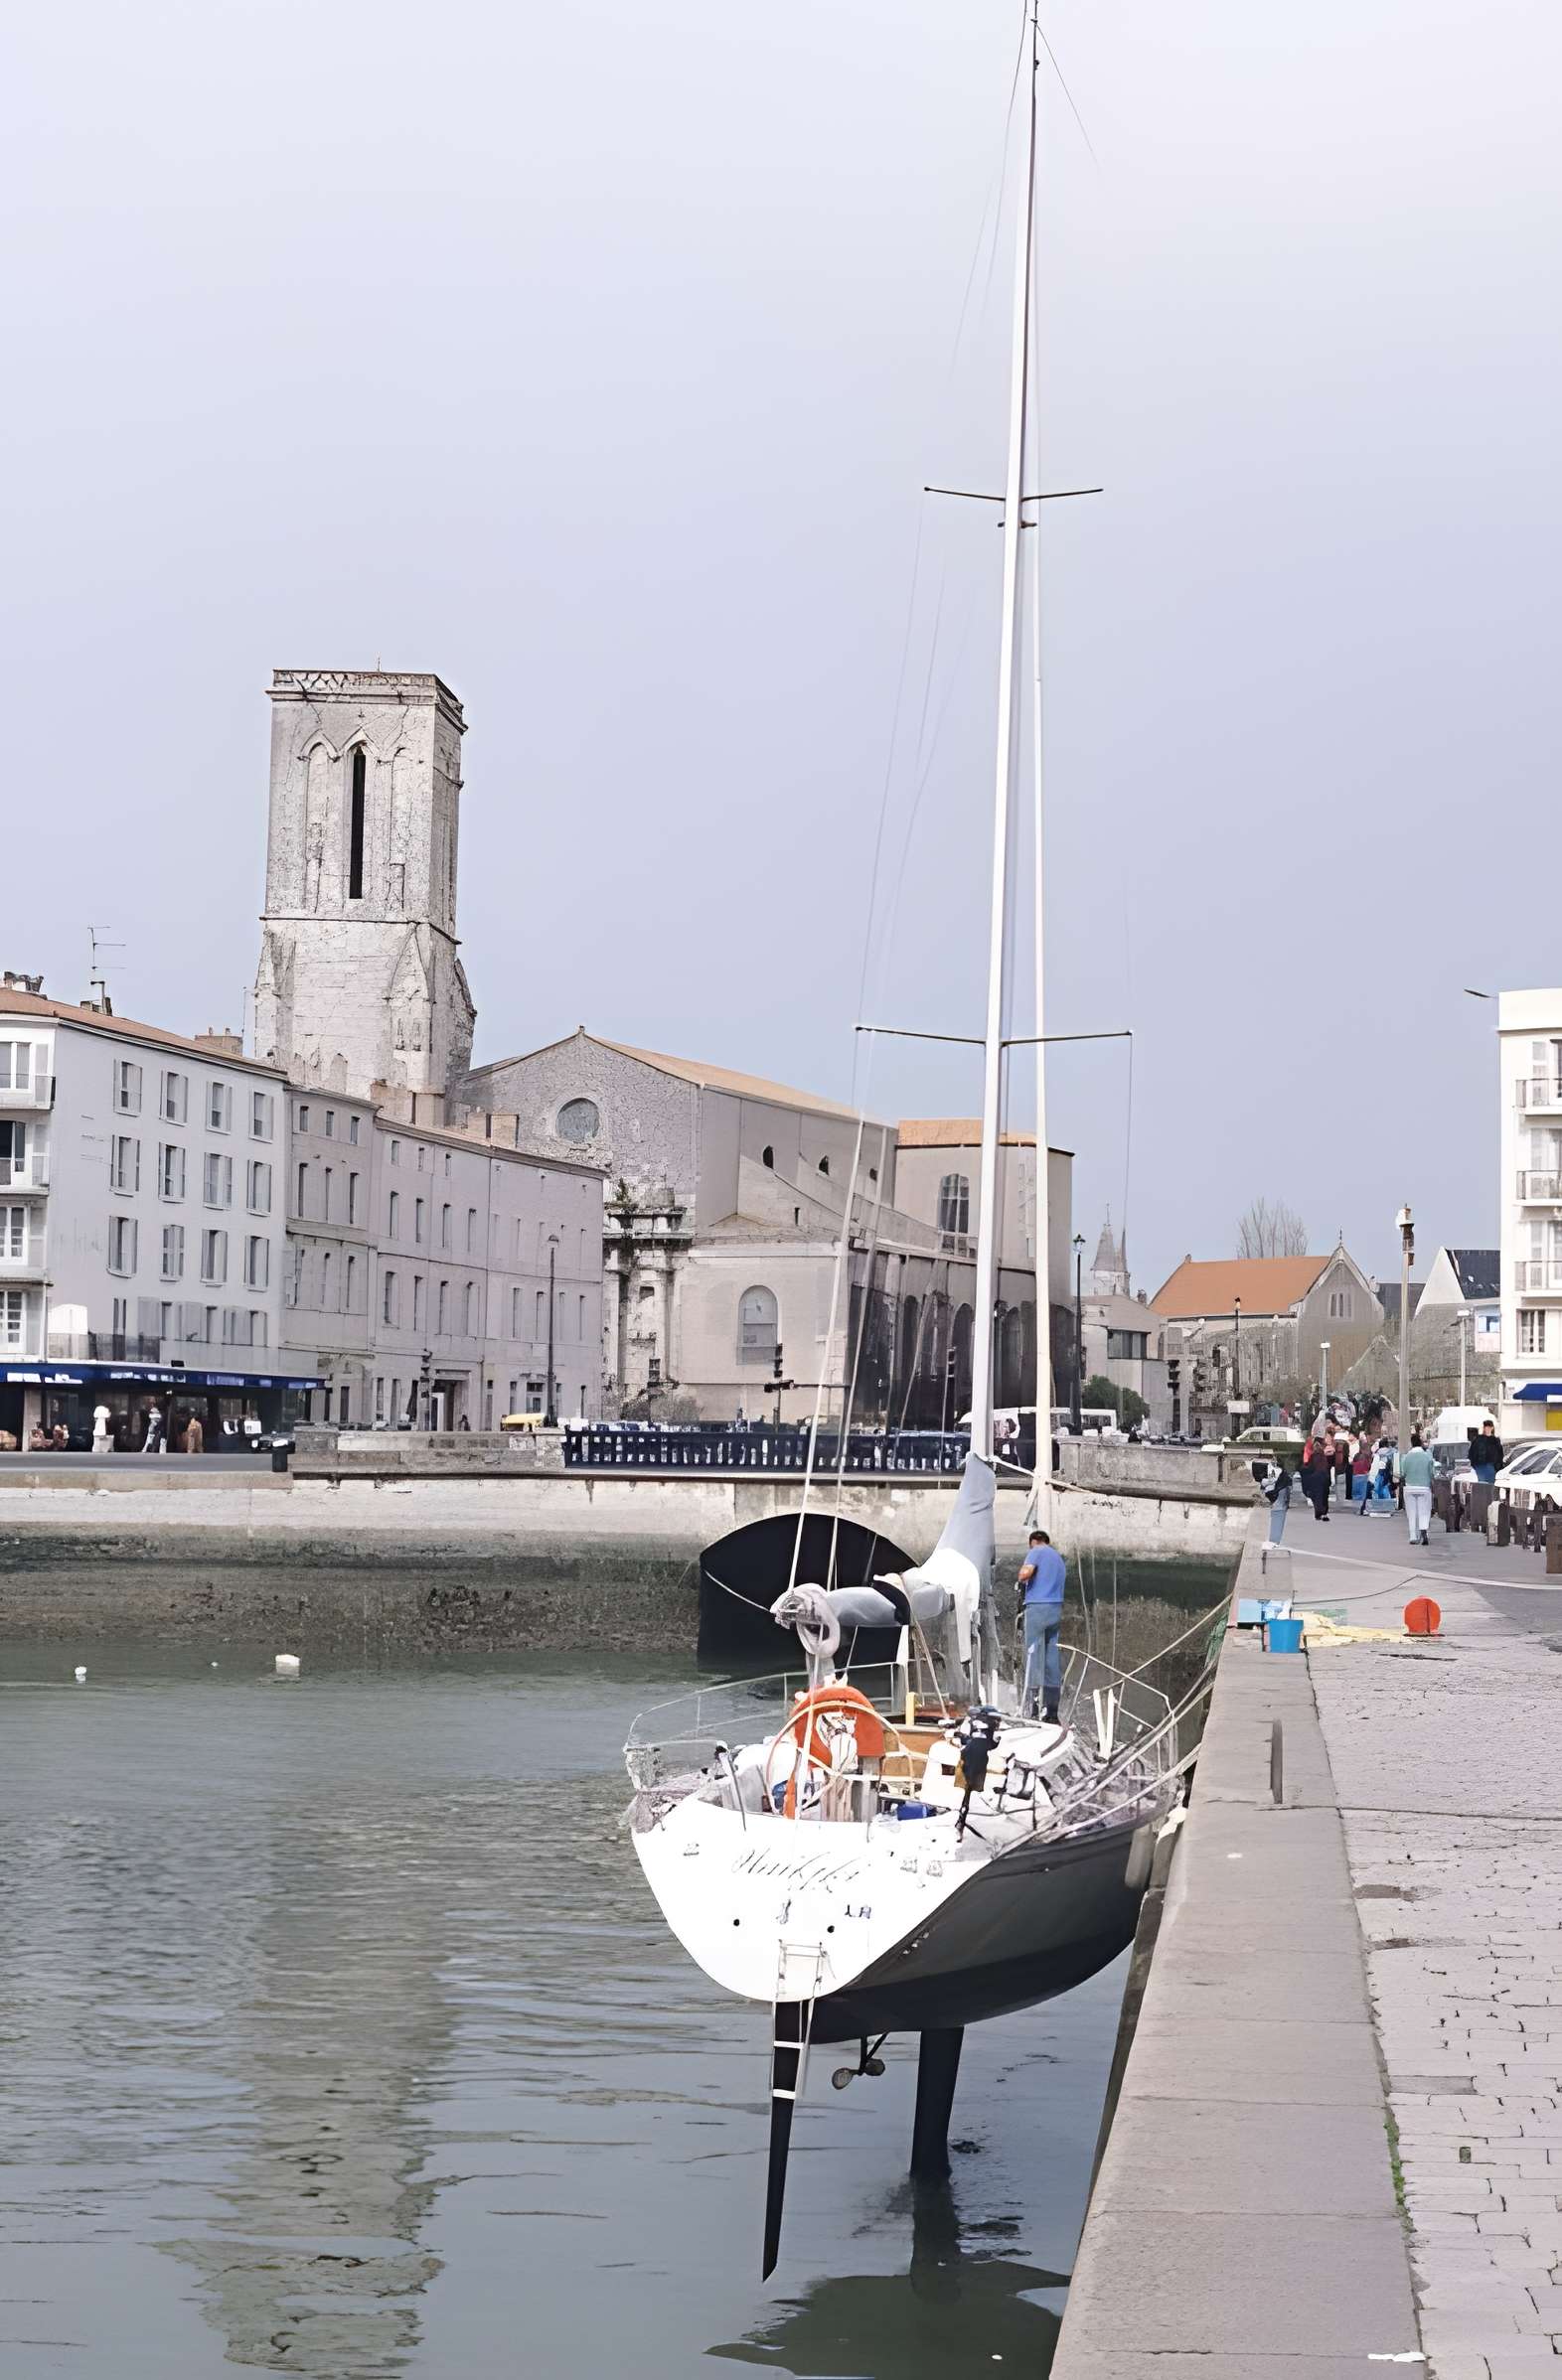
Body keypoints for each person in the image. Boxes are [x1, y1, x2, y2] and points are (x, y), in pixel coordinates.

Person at [1016, 1528, 1066, 1724]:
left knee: (1033, 1656)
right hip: (1056, 1609)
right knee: (1051, 1658)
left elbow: (1024, 1574)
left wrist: (1021, 1575)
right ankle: (1052, 1711)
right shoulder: (1058, 1559)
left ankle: (1033, 1709)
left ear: (1034, 1542)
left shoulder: (1036, 1550)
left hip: (1038, 1607)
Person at [1400, 1429, 1435, 1545]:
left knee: (1411, 1513)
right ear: (1420, 1443)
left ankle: (1413, 1536)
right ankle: (1423, 1529)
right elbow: (1432, 1472)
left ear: (1411, 1444)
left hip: (1409, 1488)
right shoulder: (1427, 1457)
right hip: (1424, 1487)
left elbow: (1402, 1473)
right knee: (1424, 1511)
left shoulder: (1406, 1457)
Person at [1264, 1457, 1295, 1548]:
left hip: (1278, 1495)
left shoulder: (1274, 1471)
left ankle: (1274, 1541)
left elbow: (1270, 1482)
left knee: (1277, 1514)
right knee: (1279, 1514)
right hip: (1281, 1493)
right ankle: (1275, 1541)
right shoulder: (1283, 1473)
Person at [1300, 1434, 1331, 1522]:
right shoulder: (1324, 1456)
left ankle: (1319, 1513)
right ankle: (1324, 1513)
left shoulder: (1313, 1456)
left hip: (1316, 1477)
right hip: (1325, 1476)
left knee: (1318, 1496)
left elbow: (1310, 1467)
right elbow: (1327, 1466)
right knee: (1325, 1496)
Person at [1472, 1419, 1504, 1486]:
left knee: (1490, 1486)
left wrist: (1497, 1466)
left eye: (1489, 1427)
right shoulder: (1478, 1440)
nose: (1487, 1429)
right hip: (1480, 1466)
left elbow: (1500, 1454)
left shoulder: (1495, 1440)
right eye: (1486, 1427)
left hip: (1491, 1467)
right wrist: (1475, 1465)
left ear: (1492, 1428)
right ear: (1484, 1428)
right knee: (1482, 1485)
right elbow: (1472, 1452)